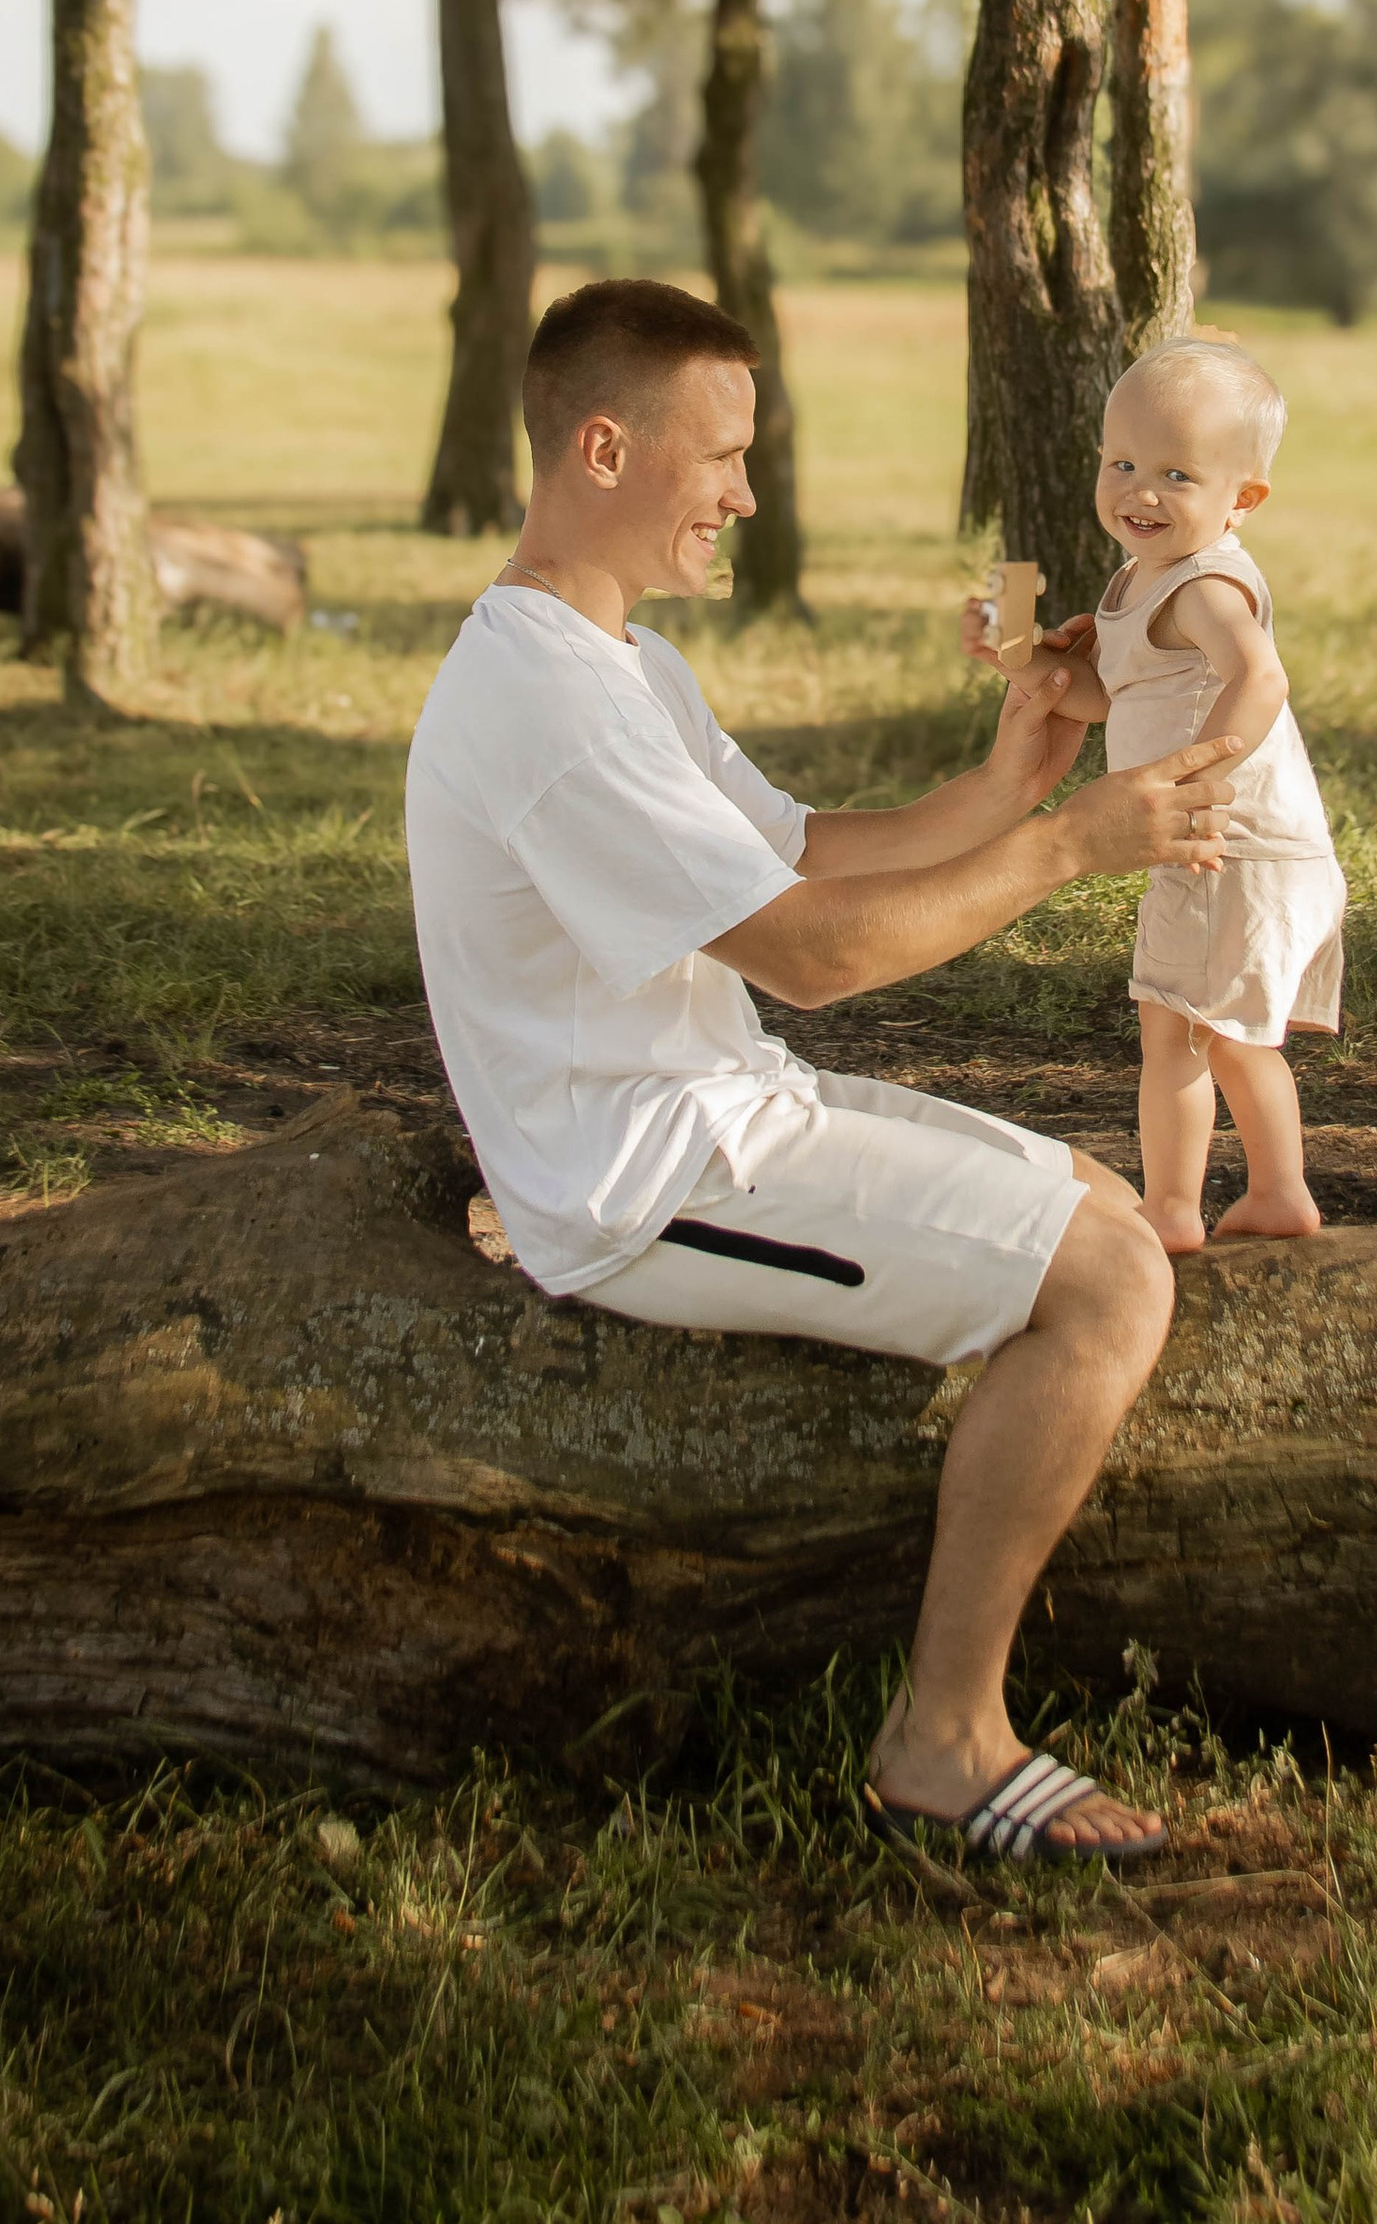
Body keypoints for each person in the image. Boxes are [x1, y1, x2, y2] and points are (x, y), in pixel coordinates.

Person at [404, 277, 1242, 1867]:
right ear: (601, 447)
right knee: (1113, 1287)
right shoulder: (546, 703)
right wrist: (1068, 846)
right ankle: (946, 1736)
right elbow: (814, 954)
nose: (744, 493)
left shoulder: (613, 663)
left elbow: (796, 853)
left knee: (1102, 1201)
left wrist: (1009, 778)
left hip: (725, 1108)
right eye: (719, 456)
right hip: (640, 1186)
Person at [965, 339, 1345, 1253]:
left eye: (1176, 474)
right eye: (1122, 463)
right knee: (1236, 1036)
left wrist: (1201, 774)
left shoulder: (1205, 582)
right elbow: (1109, 700)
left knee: (1172, 1033)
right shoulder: (1146, 581)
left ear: (1240, 499)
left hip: (1225, 839)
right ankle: (1279, 1193)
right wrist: (1013, 652)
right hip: (1257, 848)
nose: (1139, 491)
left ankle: (1172, 1208)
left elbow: (1261, 679)